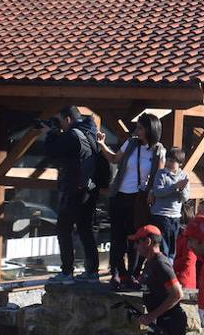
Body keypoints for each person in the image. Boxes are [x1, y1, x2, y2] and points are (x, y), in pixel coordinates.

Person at [101, 113, 166, 283]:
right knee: (117, 237)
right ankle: (117, 273)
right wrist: (101, 144)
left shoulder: (158, 151)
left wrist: (152, 193)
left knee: (135, 238)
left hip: (138, 199)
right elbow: (115, 159)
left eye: (140, 128)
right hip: (119, 195)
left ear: (150, 130)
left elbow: (158, 176)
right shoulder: (130, 144)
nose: (136, 131)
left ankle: (132, 274)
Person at [43, 106, 104, 283]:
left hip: (74, 189)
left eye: (60, 121)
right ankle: (92, 272)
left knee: (63, 228)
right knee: (85, 229)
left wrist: (51, 133)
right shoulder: (90, 132)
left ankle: (67, 272)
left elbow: (50, 152)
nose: (60, 124)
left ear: (68, 119)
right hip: (90, 189)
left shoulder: (71, 136)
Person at [148, 146, 189, 256]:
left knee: (172, 248)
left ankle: (169, 268)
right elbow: (158, 192)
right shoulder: (161, 174)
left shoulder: (184, 176)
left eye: (172, 161)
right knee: (163, 247)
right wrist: (174, 186)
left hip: (175, 216)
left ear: (179, 163)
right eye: (168, 160)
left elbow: (185, 197)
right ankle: (164, 268)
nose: (169, 163)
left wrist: (181, 189)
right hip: (161, 215)